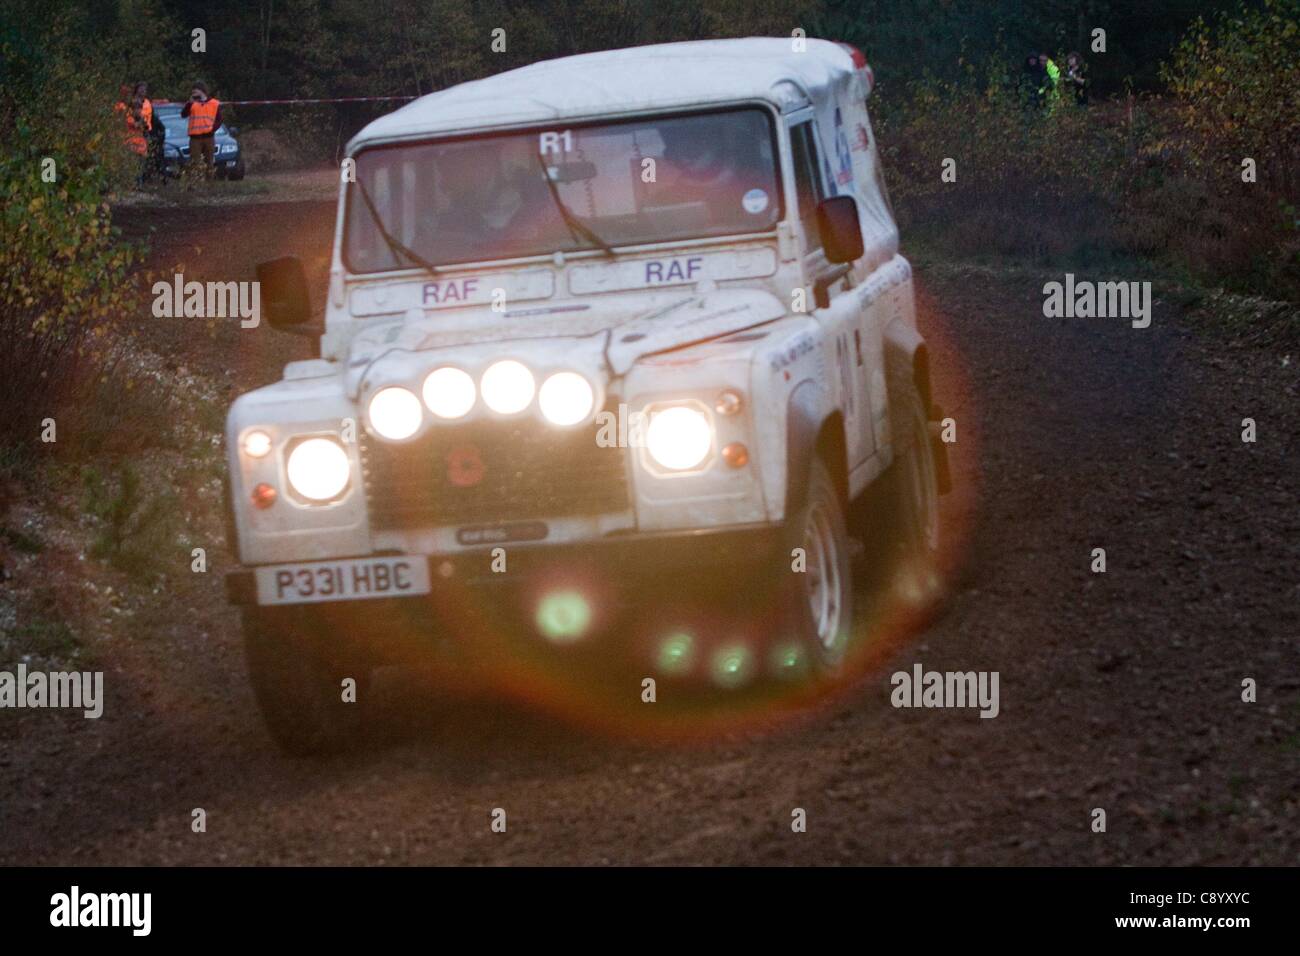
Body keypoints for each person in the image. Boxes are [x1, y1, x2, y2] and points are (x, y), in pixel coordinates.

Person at [180, 81, 222, 184]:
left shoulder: (214, 103)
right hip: (195, 138)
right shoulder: (192, 103)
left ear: (202, 91)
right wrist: (189, 103)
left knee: (209, 162)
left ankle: (209, 185)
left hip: (209, 137)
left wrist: (212, 129)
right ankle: (195, 184)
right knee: (195, 162)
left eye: (195, 91)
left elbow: (219, 119)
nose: (193, 93)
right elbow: (183, 114)